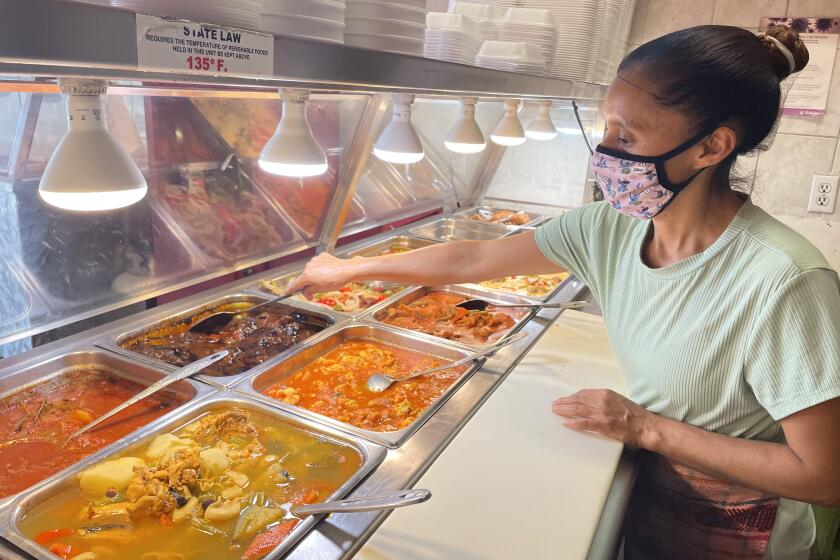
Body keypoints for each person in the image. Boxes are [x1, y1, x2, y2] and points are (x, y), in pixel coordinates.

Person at [288, 24, 840, 559]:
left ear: (711, 147)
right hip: (651, 490)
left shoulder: (784, 280)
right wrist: (349, 270)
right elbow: (474, 257)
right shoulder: (609, 227)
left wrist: (645, 427)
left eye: (627, 136)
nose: (604, 153)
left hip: (737, 528)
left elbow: (823, 476)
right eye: (605, 131)